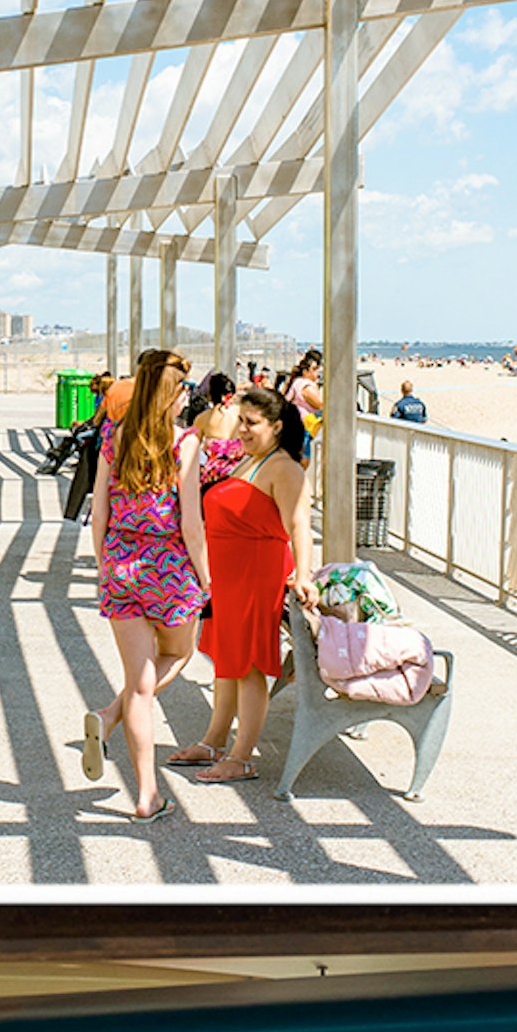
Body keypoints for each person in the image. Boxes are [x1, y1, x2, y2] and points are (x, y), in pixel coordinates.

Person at [79, 341, 208, 819]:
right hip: (169, 566)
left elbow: (99, 511)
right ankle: (116, 729)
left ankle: (145, 787)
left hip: (121, 565)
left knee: (138, 683)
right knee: (177, 652)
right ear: (173, 394)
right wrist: (206, 577)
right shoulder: (184, 442)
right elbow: (191, 523)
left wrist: (103, 564)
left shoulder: (113, 436)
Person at [177, 385, 309, 782]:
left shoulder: (283, 467)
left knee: (249, 664)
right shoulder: (250, 459)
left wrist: (303, 575)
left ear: (277, 425)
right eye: (241, 422)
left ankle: (242, 755)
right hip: (229, 576)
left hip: (256, 573)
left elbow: (299, 524)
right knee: (226, 661)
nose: (243, 431)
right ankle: (215, 739)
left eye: (252, 424)